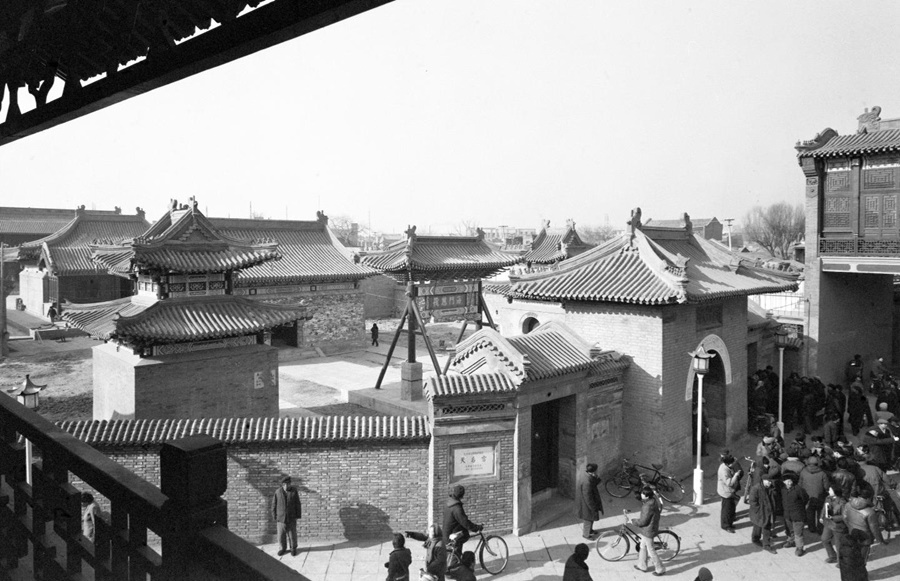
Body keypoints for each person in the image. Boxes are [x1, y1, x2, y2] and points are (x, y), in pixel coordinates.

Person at [632, 487, 665, 576]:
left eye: (643, 493)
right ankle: (642, 565)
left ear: (647, 496)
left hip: (648, 530)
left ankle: (660, 569)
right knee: (642, 546)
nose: (641, 494)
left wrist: (633, 521)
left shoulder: (647, 506)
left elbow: (643, 521)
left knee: (651, 550)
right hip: (650, 528)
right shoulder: (652, 501)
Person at [442, 485, 482, 556]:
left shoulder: (448, 502)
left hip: (446, 532)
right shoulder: (457, 508)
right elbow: (465, 522)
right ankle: (457, 560)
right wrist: (476, 528)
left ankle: (458, 558)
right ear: (462, 495)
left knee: (455, 552)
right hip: (453, 535)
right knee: (463, 537)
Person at [272, 476, 302, 556]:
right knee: (281, 535)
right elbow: (274, 504)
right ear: (282, 485)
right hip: (281, 518)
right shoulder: (278, 492)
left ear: (290, 484)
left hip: (291, 517)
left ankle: (293, 548)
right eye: (284, 484)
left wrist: (298, 515)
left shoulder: (294, 491)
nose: (286, 486)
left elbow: (297, 503)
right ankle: (282, 548)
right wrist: (274, 516)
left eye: (288, 484)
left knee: (292, 535)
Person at [799, 455, 829, 535]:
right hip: (820, 496)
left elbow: (800, 484)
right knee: (820, 512)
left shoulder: (803, 472)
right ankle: (820, 528)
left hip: (807, 496)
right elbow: (826, 486)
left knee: (809, 512)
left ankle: (811, 527)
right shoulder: (822, 473)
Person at [780, 472, 809, 556]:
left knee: (798, 533)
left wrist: (800, 507)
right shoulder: (783, 490)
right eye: (787, 481)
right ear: (784, 482)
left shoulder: (799, 489)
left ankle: (800, 548)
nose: (789, 483)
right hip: (787, 514)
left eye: (790, 481)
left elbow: (805, 499)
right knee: (789, 530)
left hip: (798, 515)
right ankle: (791, 541)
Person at [749, 473, 778, 554]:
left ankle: (766, 544)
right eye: (768, 481)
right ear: (763, 480)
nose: (770, 483)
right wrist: (759, 510)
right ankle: (756, 539)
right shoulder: (756, 488)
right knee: (758, 526)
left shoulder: (771, 488)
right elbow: (752, 501)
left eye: (770, 481)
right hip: (760, 512)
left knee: (766, 528)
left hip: (768, 512)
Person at [575, 462, 604, 539]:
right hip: (586, 505)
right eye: (597, 470)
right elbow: (587, 497)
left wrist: (596, 477)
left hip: (588, 503)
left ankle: (590, 530)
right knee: (588, 519)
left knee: (591, 518)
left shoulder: (587, 475)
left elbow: (594, 483)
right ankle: (586, 535)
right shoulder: (587, 482)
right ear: (594, 471)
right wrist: (592, 507)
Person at [822, 485, 848, 565]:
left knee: (838, 545)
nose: (829, 491)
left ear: (835, 492)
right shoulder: (828, 498)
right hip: (829, 523)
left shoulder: (843, 502)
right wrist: (822, 516)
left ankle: (841, 562)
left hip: (838, 526)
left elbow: (844, 516)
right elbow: (824, 508)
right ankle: (832, 556)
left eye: (830, 490)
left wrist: (833, 518)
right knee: (825, 539)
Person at [716, 452, 742, 533]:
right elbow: (729, 483)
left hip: (729, 492)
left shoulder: (726, 467)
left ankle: (730, 523)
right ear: (728, 464)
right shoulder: (724, 470)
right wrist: (736, 475)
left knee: (731, 508)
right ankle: (725, 526)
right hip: (726, 493)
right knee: (726, 511)